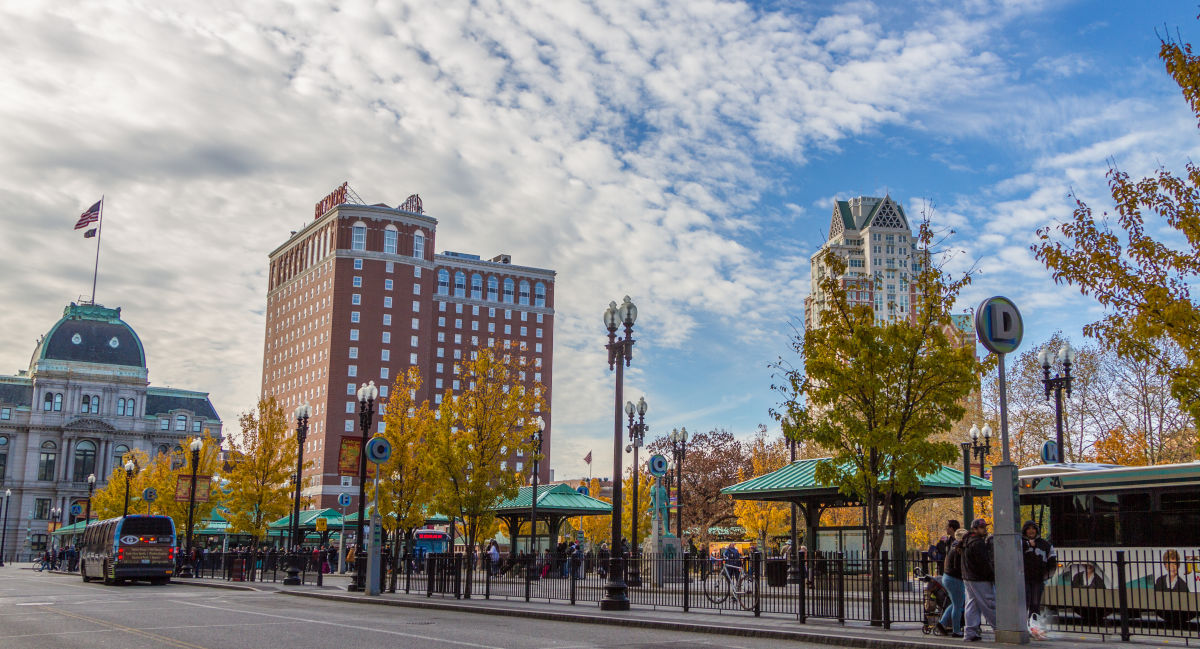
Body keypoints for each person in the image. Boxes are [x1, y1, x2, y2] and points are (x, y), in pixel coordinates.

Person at [961, 518, 996, 642]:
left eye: (984, 527)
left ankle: (970, 633)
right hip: (979, 578)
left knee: (972, 605)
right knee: (989, 604)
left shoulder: (966, 540)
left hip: (968, 577)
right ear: (975, 529)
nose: (984, 529)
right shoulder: (978, 543)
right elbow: (984, 563)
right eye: (981, 527)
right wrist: (992, 576)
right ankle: (999, 629)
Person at [935, 528, 968, 638]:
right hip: (955, 579)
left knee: (955, 603)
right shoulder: (960, 549)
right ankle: (956, 630)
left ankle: (942, 623)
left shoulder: (953, 547)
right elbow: (960, 567)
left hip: (948, 577)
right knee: (958, 605)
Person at [1021, 521, 1056, 616]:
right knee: (1024, 604)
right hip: (1023, 580)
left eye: (1033, 528)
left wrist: (1045, 577)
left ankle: (1034, 625)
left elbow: (1052, 563)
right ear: (1025, 531)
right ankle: (1023, 625)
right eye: (1028, 528)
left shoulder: (1046, 545)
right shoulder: (1020, 544)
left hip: (1038, 580)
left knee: (1035, 605)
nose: (1031, 531)